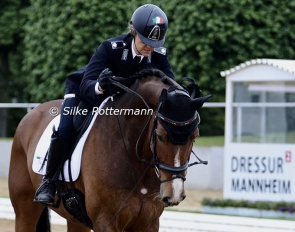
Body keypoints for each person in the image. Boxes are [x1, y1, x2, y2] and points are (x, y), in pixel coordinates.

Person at [34, 3, 174, 206]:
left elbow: (169, 83)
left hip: (122, 100)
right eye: (144, 40)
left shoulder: (158, 54)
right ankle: (49, 182)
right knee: (67, 126)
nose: (149, 46)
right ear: (133, 31)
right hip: (87, 93)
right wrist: (100, 85)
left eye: (154, 42)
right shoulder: (111, 48)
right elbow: (87, 83)